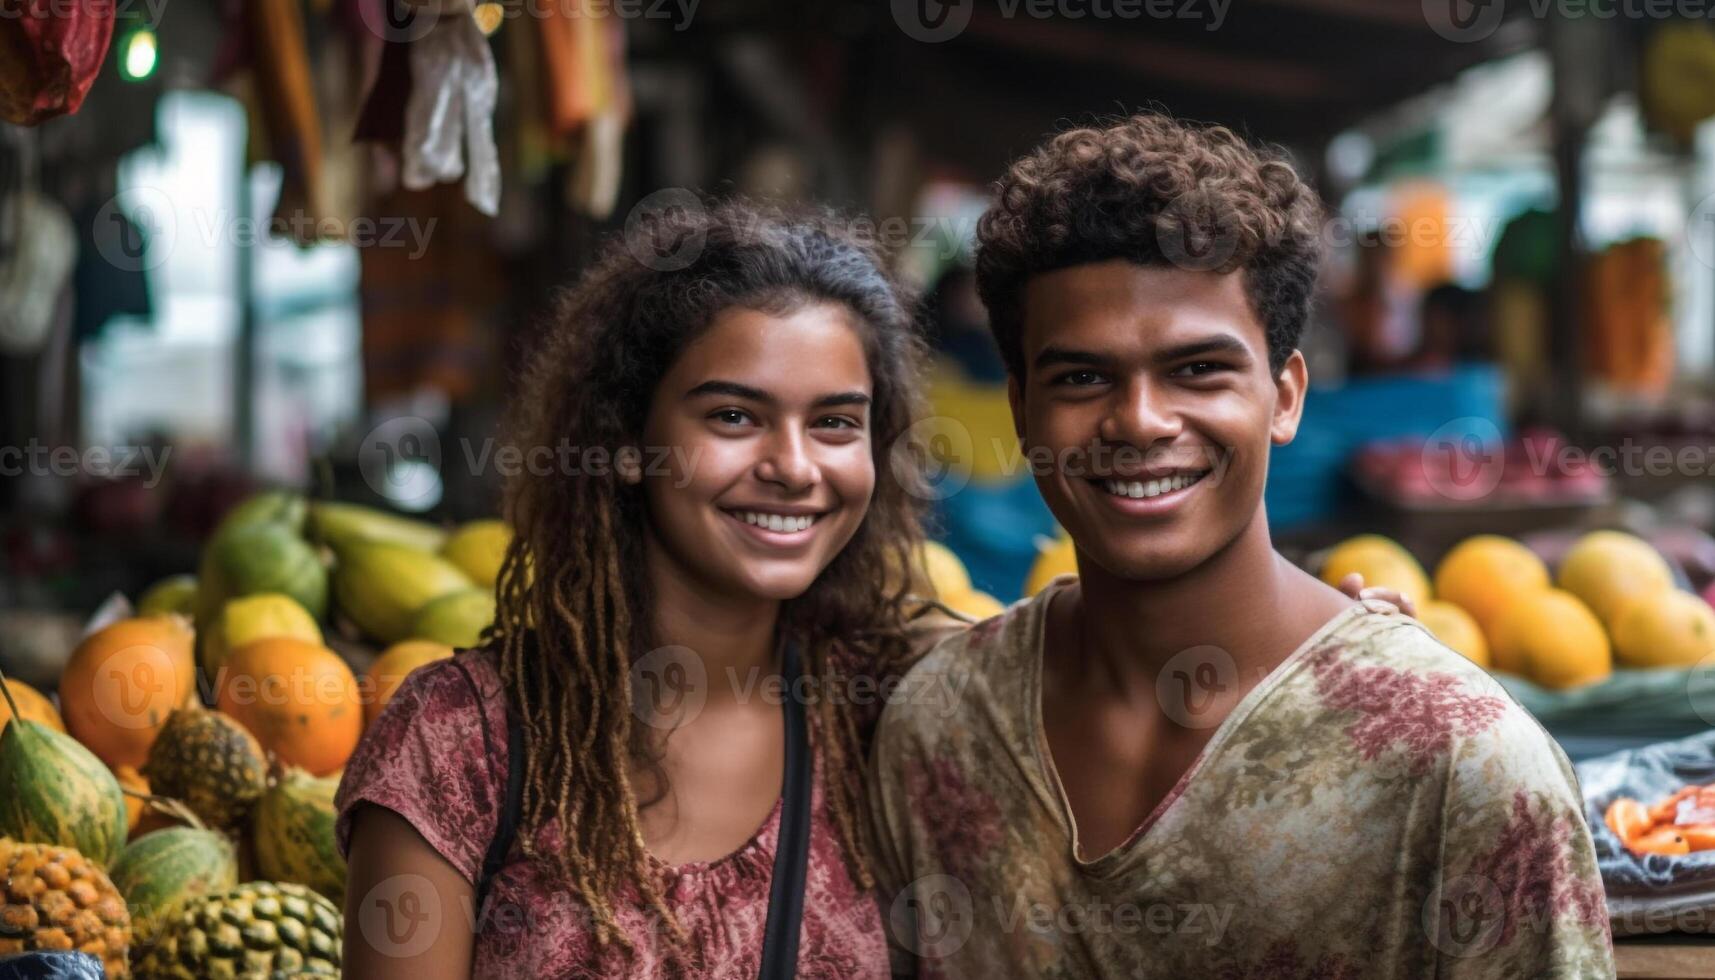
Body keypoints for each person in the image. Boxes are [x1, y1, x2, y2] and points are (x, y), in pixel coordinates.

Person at [867, 114, 1615, 978]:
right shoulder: (939, 730)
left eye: (1198, 370)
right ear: (1022, 408)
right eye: (1081, 376)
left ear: (1285, 396)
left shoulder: (1460, 768)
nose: (1140, 421)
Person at [336, 200, 932, 978]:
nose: (793, 467)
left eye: (834, 424)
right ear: (623, 443)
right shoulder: (457, 744)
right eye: (732, 416)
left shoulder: (885, 726)